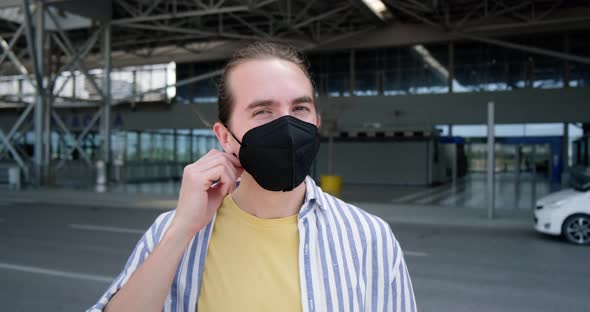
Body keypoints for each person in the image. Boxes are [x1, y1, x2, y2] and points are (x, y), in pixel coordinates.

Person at [88, 41, 416, 312]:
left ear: (316, 120)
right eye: (263, 111)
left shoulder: (368, 236)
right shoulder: (172, 230)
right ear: (226, 136)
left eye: (300, 108)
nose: (287, 128)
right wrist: (181, 231)